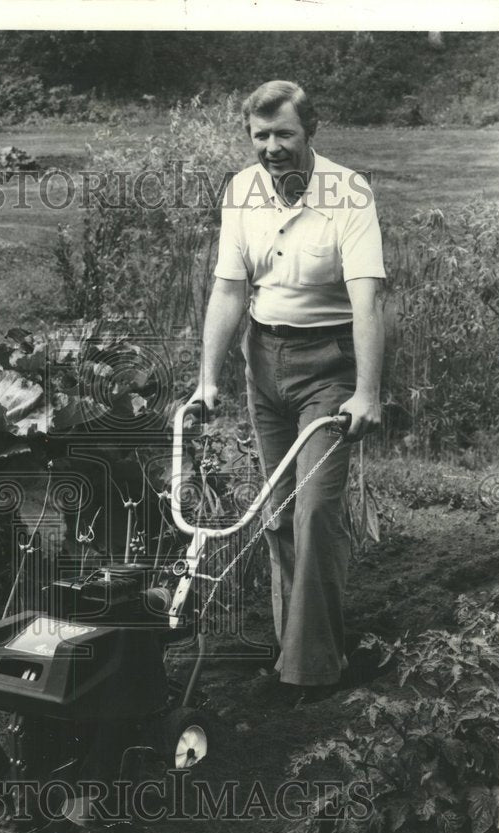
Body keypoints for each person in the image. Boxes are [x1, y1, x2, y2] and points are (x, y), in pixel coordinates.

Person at [190, 80, 385, 704]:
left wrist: (367, 391)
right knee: (275, 514)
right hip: (263, 360)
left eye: (285, 135)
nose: (271, 148)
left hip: (330, 365)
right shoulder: (241, 192)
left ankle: (311, 672)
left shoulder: (348, 193)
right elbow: (228, 290)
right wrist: (209, 380)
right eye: (260, 136)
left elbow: (367, 298)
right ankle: (300, 648)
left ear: (311, 131)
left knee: (317, 509)